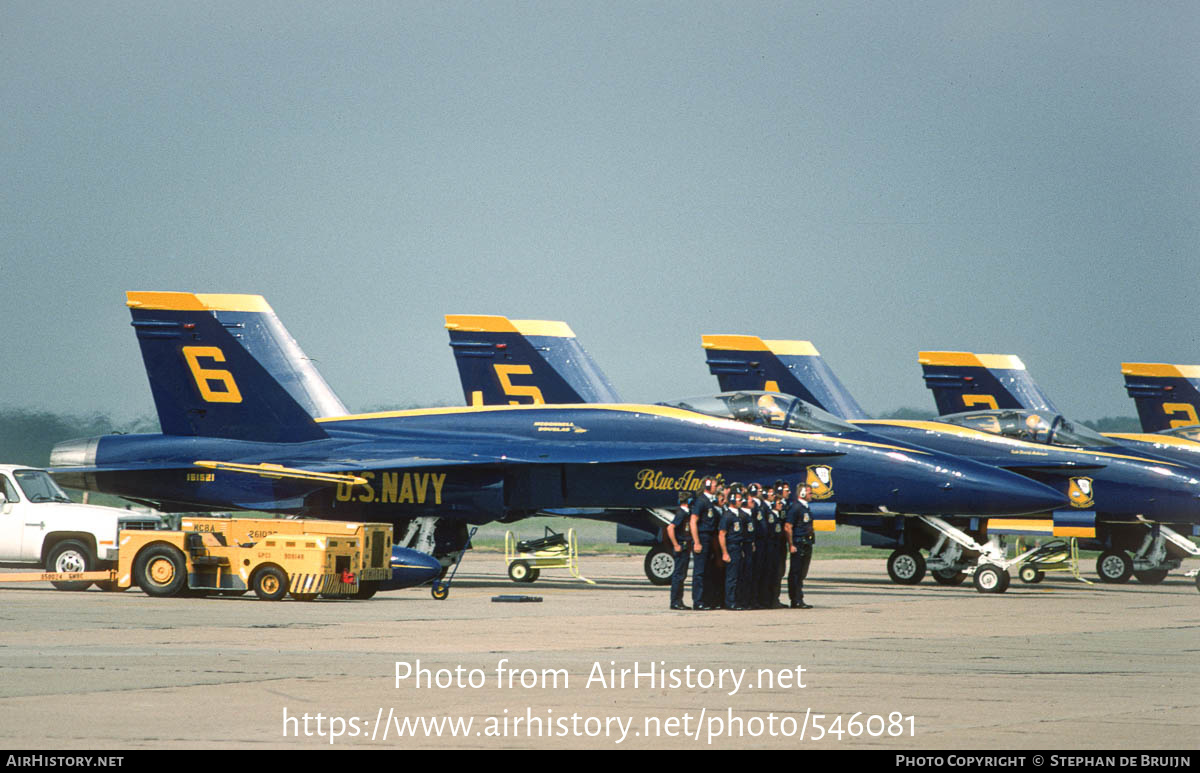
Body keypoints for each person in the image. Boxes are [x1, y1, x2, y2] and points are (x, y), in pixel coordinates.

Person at [689, 477, 720, 610]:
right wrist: (696, 542)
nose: (717, 487)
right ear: (707, 486)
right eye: (714, 485)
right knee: (699, 572)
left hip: (710, 538)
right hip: (702, 537)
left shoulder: (710, 502)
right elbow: (693, 521)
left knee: (708, 571)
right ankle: (698, 600)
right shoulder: (701, 502)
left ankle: (707, 599)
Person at [785, 484, 815, 609]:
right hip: (799, 543)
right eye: (809, 492)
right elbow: (788, 526)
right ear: (802, 493)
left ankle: (799, 597)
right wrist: (791, 544)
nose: (811, 495)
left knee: (802, 572)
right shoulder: (796, 508)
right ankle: (795, 599)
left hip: (806, 543)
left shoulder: (805, 508)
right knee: (796, 572)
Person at [719, 486, 747, 610]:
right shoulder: (727, 516)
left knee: (738, 576)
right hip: (732, 547)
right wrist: (725, 552)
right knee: (731, 577)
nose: (741, 501)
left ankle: (736, 599)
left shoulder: (739, 515)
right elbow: (722, 534)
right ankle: (729, 602)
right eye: (739, 499)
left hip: (739, 547)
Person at [667, 491, 693, 610]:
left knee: (682, 575)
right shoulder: (681, 513)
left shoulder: (685, 513)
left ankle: (679, 600)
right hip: (681, 546)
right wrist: (676, 544)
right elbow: (670, 528)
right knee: (678, 575)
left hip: (686, 547)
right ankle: (675, 602)